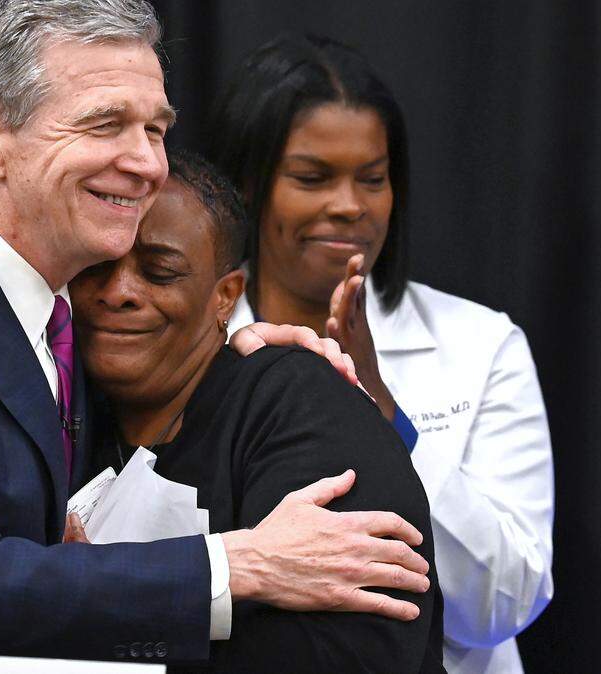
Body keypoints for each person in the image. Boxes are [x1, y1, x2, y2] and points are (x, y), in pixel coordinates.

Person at [0, 0, 430, 663]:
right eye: (105, 125)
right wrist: (239, 565)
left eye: (155, 130)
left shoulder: (55, 303)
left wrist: (225, 360)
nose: (147, 163)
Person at [208, 33, 553, 673]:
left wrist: (385, 409)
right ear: (248, 184)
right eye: (312, 178)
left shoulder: (482, 344)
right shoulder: (196, 339)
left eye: (372, 179)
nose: (349, 206)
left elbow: (506, 603)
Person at [68, 148, 443, 672]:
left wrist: (91, 609)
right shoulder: (60, 414)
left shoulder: (301, 405)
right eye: (96, 267)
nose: (118, 292)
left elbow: (346, 654)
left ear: (225, 296)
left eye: (160, 272)